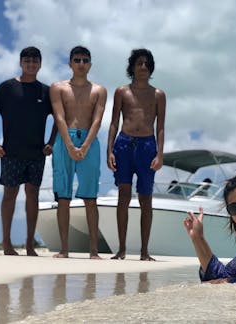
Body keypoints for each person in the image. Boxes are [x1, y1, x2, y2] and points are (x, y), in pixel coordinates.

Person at [0, 46, 57, 256]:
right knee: (10, 195)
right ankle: (6, 243)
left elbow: (59, 118)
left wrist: (51, 142)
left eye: (35, 61)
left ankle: (30, 245)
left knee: (32, 195)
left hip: (36, 153)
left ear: (40, 64)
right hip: (11, 152)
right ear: (21, 63)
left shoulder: (45, 91)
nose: (31, 64)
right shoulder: (7, 87)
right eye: (27, 60)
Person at [107, 48, 166, 261]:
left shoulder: (158, 94)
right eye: (139, 63)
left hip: (147, 146)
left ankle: (144, 251)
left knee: (145, 199)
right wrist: (109, 151)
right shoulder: (122, 92)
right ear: (132, 67)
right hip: (123, 144)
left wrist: (160, 154)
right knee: (123, 196)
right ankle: (121, 250)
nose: (143, 67)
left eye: (146, 64)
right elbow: (114, 122)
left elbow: (160, 126)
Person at [50, 46, 107, 259]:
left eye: (85, 60)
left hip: (90, 141)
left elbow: (97, 120)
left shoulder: (99, 90)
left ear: (90, 64)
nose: (81, 63)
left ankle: (94, 251)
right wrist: (69, 145)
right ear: (70, 63)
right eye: (77, 60)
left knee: (90, 197)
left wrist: (84, 146)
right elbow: (59, 117)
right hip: (64, 139)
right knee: (63, 197)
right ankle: (64, 250)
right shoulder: (58, 87)